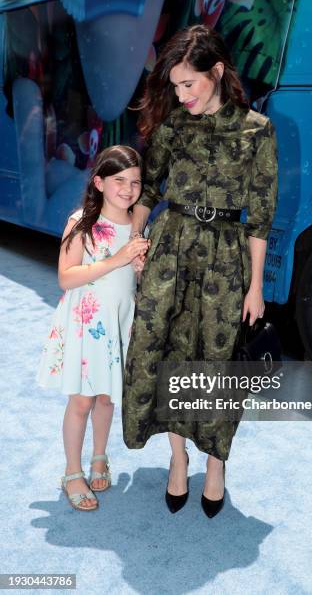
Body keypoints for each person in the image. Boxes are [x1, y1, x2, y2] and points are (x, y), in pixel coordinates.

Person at [123, 25, 278, 517]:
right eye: (175, 86)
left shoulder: (257, 129)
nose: (182, 94)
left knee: (217, 361)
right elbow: (148, 190)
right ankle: (176, 457)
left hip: (226, 256)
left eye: (190, 83)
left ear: (216, 72)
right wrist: (135, 243)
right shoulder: (173, 127)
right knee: (164, 350)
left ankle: (215, 462)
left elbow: (261, 214)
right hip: (172, 249)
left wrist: (256, 286)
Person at [37, 146, 149, 511]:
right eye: (119, 181)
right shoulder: (82, 221)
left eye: (135, 182)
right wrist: (116, 259)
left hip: (119, 320)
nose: (128, 189)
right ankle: (72, 471)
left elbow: (137, 280)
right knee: (82, 399)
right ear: (99, 182)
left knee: (106, 396)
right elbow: (66, 277)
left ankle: (100, 456)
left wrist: (139, 267)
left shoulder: (138, 225)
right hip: (87, 323)